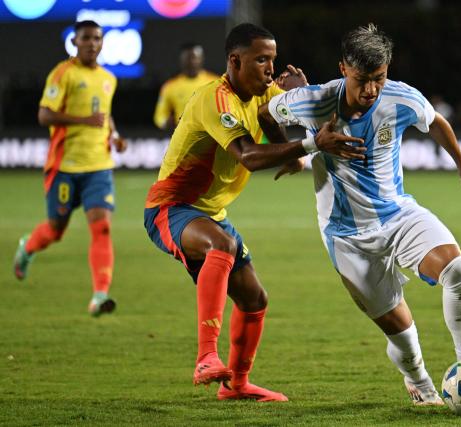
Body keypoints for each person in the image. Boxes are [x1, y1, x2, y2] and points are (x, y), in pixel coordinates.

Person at [258, 24, 461, 406]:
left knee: (456, 270)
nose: (372, 90)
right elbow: (265, 112)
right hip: (346, 236)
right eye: (363, 80)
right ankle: (420, 381)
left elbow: (436, 123)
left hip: (399, 215)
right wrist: (292, 153)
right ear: (344, 68)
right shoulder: (314, 101)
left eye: (379, 78)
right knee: (403, 336)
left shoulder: (400, 97)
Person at [143, 23, 365, 402]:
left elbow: (299, 117)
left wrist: (303, 93)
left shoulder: (265, 94)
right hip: (172, 207)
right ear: (235, 61)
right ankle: (206, 358)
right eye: (261, 60)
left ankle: (237, 385)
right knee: (222, 245)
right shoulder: (215, 99)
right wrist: (308, 144)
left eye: (273, 60)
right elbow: (247, 155)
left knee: (254, 300)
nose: (269, 69)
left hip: (211, 212)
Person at [13, 20, 127, 317]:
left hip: (99, 167)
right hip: (65, 166)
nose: (92, 43)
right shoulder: (63, 73)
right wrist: (83, 121)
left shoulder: (108, 78)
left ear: (103, 43)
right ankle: (27, 247)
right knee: (55, 230)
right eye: (86, 38)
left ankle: (99, 296)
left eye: (97, 38)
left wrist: (114, 137)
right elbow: (44, 115)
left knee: (101, 227)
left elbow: (106, 115)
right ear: (74, 42)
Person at [153, 43, 218, 131]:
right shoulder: (170, 86)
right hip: (183, 137)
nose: (192, 62)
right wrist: (166, 123)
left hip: (210, 136)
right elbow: (159, 116)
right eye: (188, 58)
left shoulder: (216, 83)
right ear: (181, 60)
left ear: (202, 59)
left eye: (195, 58)